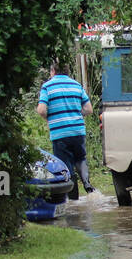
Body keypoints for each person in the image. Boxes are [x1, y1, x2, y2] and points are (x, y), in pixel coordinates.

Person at [37, 62, 95, 198]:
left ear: (52, 71)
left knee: (65, 165)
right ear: (68, 72)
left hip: (60, 134)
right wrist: (75, 113)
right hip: (78, 131)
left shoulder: (47, 86)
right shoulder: (76, 85)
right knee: (80, 158)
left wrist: (48, 117)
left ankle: (73, 199)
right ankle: (87, 184)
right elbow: (89, 109)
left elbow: (41, 110)